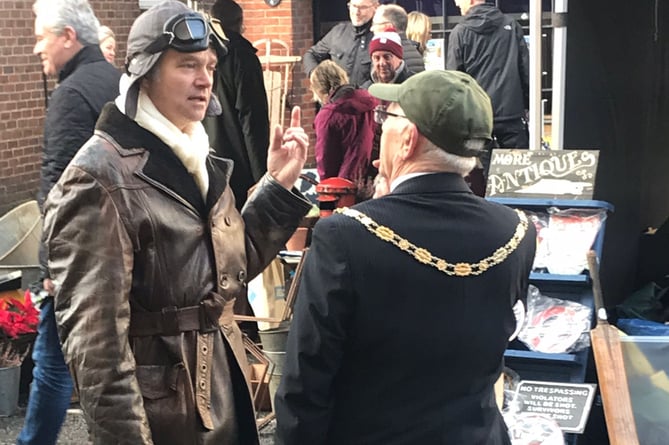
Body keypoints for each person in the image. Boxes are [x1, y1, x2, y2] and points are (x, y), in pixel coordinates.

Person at [42, 1, 312, 444]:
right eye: (187, 65)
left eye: (208, 65)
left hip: (222, 396)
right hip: (165, 421)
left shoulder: (196, 154)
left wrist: (276, 188)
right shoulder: (98, 179)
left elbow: (220, 272)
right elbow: (97, 354)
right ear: (146, 73)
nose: (205, 78)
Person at [275, 70, 537, 444]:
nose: (380, 127)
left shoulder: (345, 234)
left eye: (387, 117)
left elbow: (305, 382)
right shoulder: (518, 231)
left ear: (408, 139)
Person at [18, 1, 120, 444]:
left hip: (80, 255)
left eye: (41, 36)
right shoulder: (123, 84)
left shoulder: (71, 94)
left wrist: (51, 267)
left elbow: (58, 188)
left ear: (68, 37)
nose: (36, 47)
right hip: (127, 246)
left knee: (54, 363)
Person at [203, 0, 270, 210]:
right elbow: (253, 119)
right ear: (240, 23)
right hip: (239, 163)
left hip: (205, 158)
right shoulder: (242, 56)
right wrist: (262, 177)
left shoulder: (199, 55)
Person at [446, 0, 530, 150]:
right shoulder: (512, 26)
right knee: (517, 169)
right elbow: (525, 70)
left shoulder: (459, 32)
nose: (457, 5)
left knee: (480, 168)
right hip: (511, 113)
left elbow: (454, 80)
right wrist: (526, 104)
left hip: (477, 118)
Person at [309, 60, 377, 195]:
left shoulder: (329, 115)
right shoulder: (369, 101)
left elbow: (325, 158)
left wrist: (326, 191)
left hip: (343, 186)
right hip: (373, 178)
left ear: (319, 88)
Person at [303, 0, 379, 88]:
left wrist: (357, 95)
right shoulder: (338, 32)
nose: (356, 12)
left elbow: (381, 76)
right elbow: (311, 54)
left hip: (365, 99)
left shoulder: (379, 37)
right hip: (335, 98)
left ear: (376, 7)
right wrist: (317, 77)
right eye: (353, 6)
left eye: (363, 7)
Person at [370, 4, 424, 73]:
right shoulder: (414, 51)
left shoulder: (394, 54)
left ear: (388, 27)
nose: (371, 29)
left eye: (375, 24)